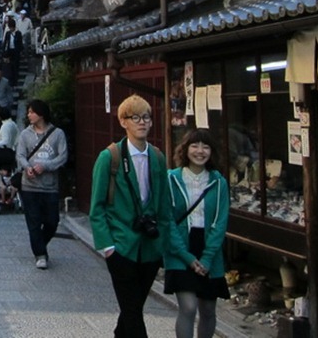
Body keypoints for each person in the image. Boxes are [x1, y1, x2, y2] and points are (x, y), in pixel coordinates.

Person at [90, 94, 172, 338]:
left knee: (132, 308)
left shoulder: (157, 157)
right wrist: (108, 246)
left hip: (150, 246)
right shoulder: (110, 157)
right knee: (133, 312)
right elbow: (97, 206)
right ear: (123, 122)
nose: (142, 122)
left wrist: (162, 243)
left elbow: (165, 205)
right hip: (121, 244)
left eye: (146, 117)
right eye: (135, 117)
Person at [164, 129, 230, 338]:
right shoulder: (171, 179)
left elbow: (220, 222)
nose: (200, 151)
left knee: (208, 310)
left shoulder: (218, 182)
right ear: (185, 149)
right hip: (180, 248)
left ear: (212, 151)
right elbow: (167, 220)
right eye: (195, 146)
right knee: (189, 307)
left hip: (209, 247)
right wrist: (187, 258)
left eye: (205, 146)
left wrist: (208, 258)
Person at [15, 99, 68, 270]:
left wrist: (45, 166)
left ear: (41, 113)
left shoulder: (57, 134)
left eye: (32, 112)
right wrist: (27, 167)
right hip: (29, 185)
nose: (29, 115)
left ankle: (39, 244)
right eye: (28, 112)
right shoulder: (25, 134)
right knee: (34, 221)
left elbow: (62, 156)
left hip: (50, 185)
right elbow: (20, 155)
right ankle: (40, 254)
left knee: (52, 221)